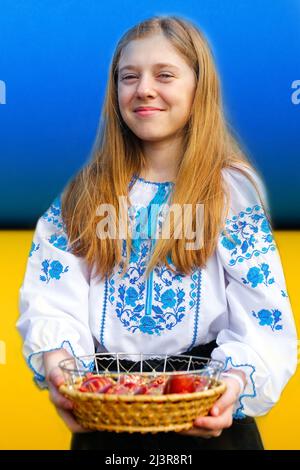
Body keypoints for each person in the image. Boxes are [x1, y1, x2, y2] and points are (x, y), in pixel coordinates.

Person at [17, 15, 297, 451]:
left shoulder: (231, 191)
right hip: (107, 418)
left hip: (208, 416)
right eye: (129, 77)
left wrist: (233, 384)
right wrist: (61, 368)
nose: (144, 88)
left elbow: (263, 317)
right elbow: (50, 298)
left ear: (198, 87)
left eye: (164, 74)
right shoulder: (84, 192)